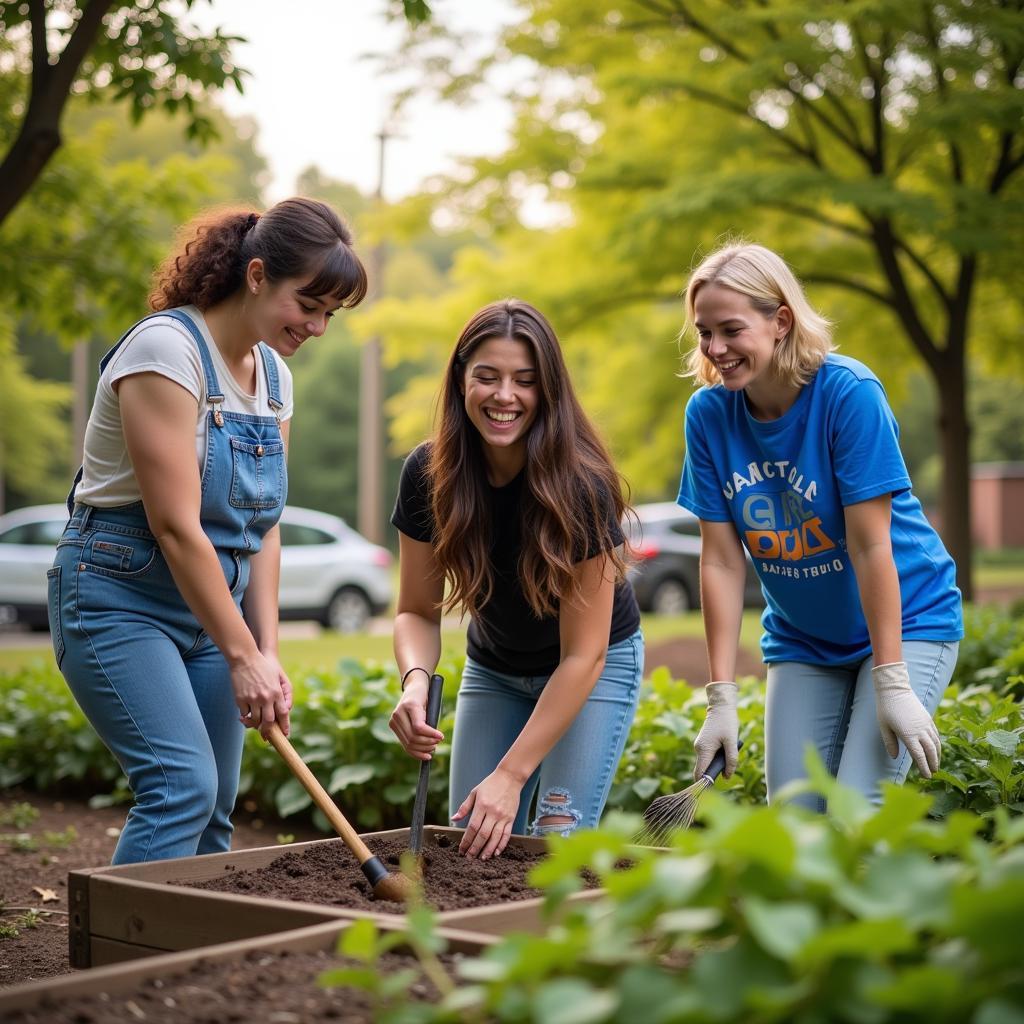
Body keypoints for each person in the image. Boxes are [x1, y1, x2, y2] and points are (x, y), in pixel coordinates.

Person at [48, 198, 367, 863]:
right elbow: (174, 525)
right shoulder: (165, 351)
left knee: (216, 805)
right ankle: (120, 959)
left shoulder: (275, 379)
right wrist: (241, 654)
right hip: (118, 595)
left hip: (214, 608)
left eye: (328, 314)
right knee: (180, 787)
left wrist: (266, 652)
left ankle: (196, 965)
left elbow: (264, 526)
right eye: (307, 305)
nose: (317, 327)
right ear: (256, 275)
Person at [676, 242, 962, 810]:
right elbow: (722, 561)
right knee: (793, 820)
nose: (716, 348)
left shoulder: (847, 394)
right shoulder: (708, 415)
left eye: (731, 329)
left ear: (780, 320)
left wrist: (892, 681)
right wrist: (721, 697)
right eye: (705, 332)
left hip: (909, 621)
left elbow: (869, 544)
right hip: (805, 638)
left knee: (857, 814)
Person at [388, 299, 644, 859]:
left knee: (556, 844)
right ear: (461, 381)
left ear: (547, 391)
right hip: (497, 668)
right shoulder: (428, 475)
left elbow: (584, 656)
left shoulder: (582, 488)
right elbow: (415, 611)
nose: (505, 396)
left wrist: (511, 775)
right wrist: (413, 680)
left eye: (525, 381)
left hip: (590, 668)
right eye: (488, 376)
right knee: (473, 846)